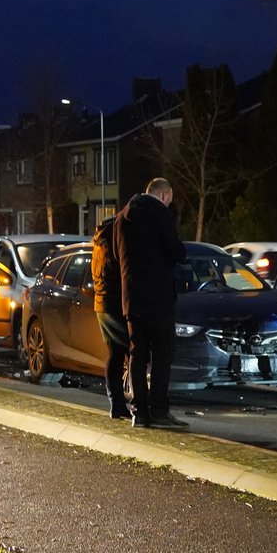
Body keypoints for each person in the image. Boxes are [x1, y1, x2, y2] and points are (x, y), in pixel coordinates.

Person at [114, 177, 189, 429]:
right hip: (159, 297)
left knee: (137, 354)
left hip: (132, 298)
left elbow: (116, 256)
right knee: (162, 355)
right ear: (165, 195)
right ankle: (159, 411)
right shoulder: (161, 215)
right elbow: (174, 251)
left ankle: (138, 412)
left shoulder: (121, 218)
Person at [91, 215, 131, 419]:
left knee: (115, 354)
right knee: (125, 351)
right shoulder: (112, 244)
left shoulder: (99, 244)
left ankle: (116, 402)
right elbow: (120, 274)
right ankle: (120, 402)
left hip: (102, 304)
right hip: (114, 304)